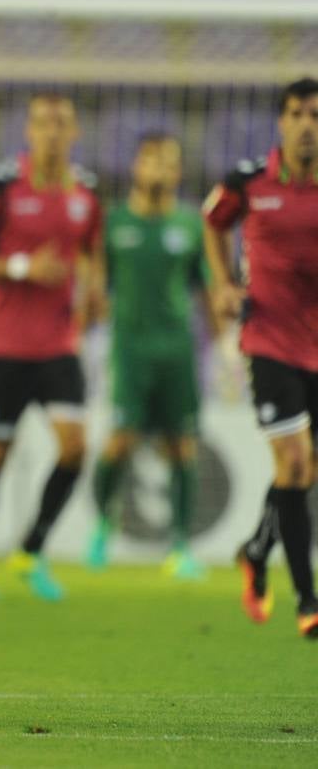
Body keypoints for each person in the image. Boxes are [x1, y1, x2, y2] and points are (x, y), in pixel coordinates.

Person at [0, 94, 104, 606]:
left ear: (75, 131)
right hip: (5, 345)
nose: (53, 132)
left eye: (62, 123)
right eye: (43, 123)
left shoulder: (86, 194)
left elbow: (91, 254)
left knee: (76, 447)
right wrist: (22, 268)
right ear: (29, 130)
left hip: (59, 344)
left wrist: (95, 292)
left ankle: (32, 549)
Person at [204, 77, 318, 638]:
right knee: (295, 465)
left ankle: (255, 549)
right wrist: (224, 284)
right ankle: (307, 602)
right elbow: (211, 220)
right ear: (282, 122)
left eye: (316, 115)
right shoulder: (250, 181)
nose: (306, 125)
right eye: (297, 113)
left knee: (305, 470)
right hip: (269, 340)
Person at [86, 133, 215, 580]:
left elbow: (207, 290)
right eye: (151, 160)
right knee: (120, 441)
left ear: (178, 172)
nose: (159, 169)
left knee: (181, 446)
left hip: (179, 352)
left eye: (168, 162)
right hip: (130, 351)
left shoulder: (191, 225)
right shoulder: (113, 222)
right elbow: (95, 284)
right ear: (137, 167)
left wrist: (227, 350)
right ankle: (102, 526)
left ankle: (180, 547)